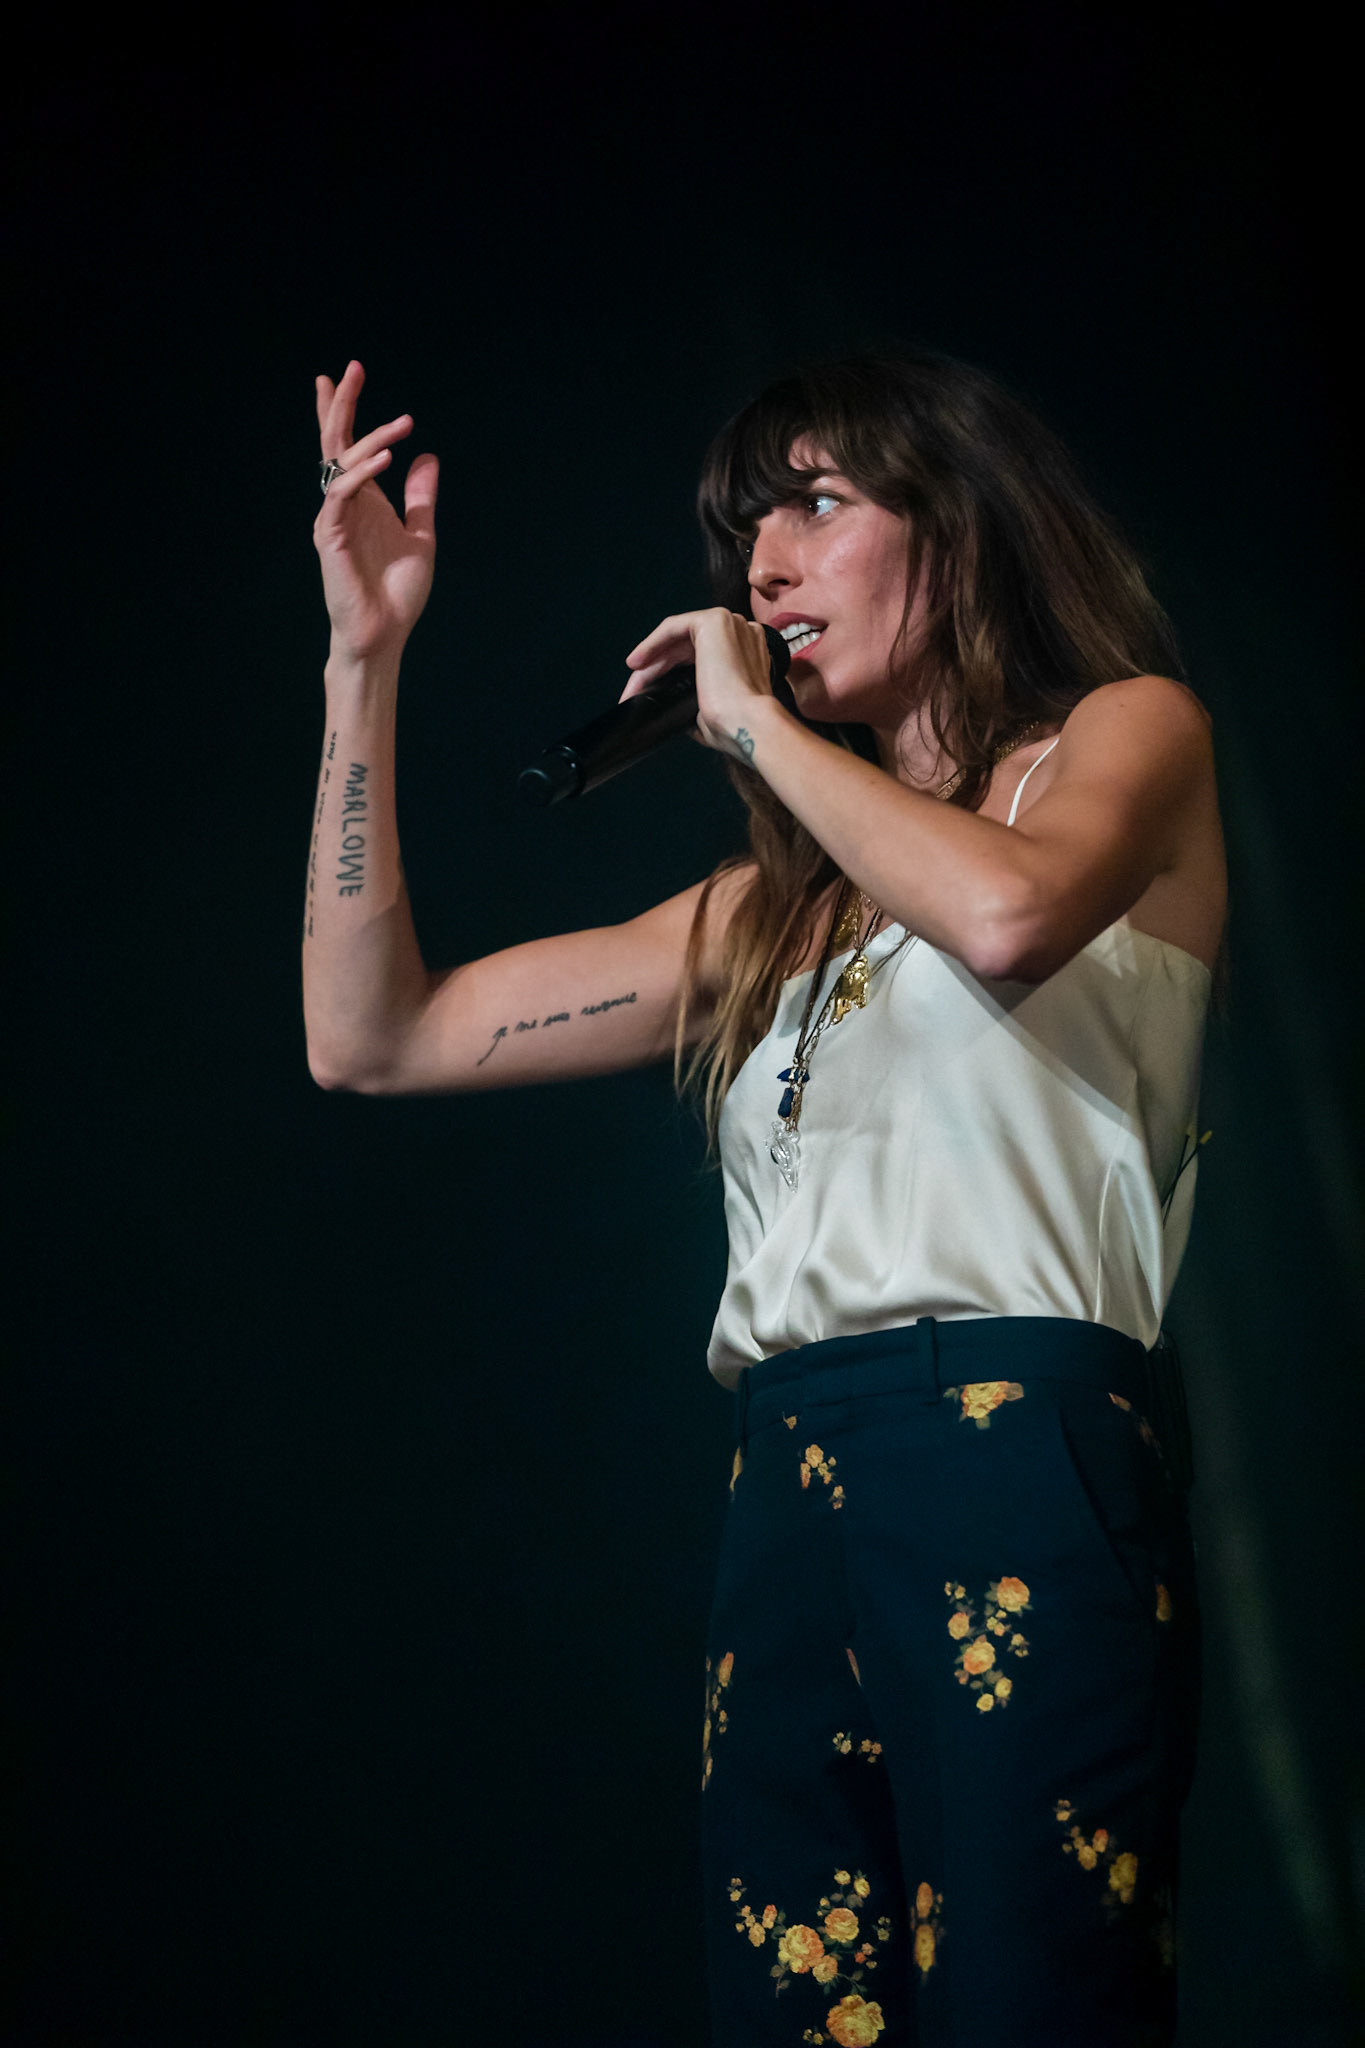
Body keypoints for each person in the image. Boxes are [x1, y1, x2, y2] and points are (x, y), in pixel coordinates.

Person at [304, 351, 1225, 2047]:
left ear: (961, 524)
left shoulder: (1120, 740)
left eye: (817, 506)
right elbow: (373, 1038)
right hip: (792, 1479)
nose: (767, 568)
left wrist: (742, 724)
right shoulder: (757, 913)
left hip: (1014, 1443)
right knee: (800, 2010)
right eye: (747, 531)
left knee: (1035, 1999)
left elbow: (1010, 918)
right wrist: (367, 662)